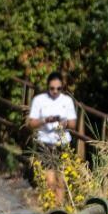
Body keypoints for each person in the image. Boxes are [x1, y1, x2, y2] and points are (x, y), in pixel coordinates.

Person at [27, 71, 78, 205]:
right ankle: (50, 209)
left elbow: (73, 124)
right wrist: (45, 120)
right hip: (45, 144)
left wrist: (64, 123)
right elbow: (31, 123)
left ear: (62, 88)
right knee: (49, 182)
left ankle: (58, 212)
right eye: (52, 88)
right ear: (47, 87)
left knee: (61, 181)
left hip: (62, 144)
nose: (55, 91)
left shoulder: (67, 101)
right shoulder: (39, 100)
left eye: (58, 89)